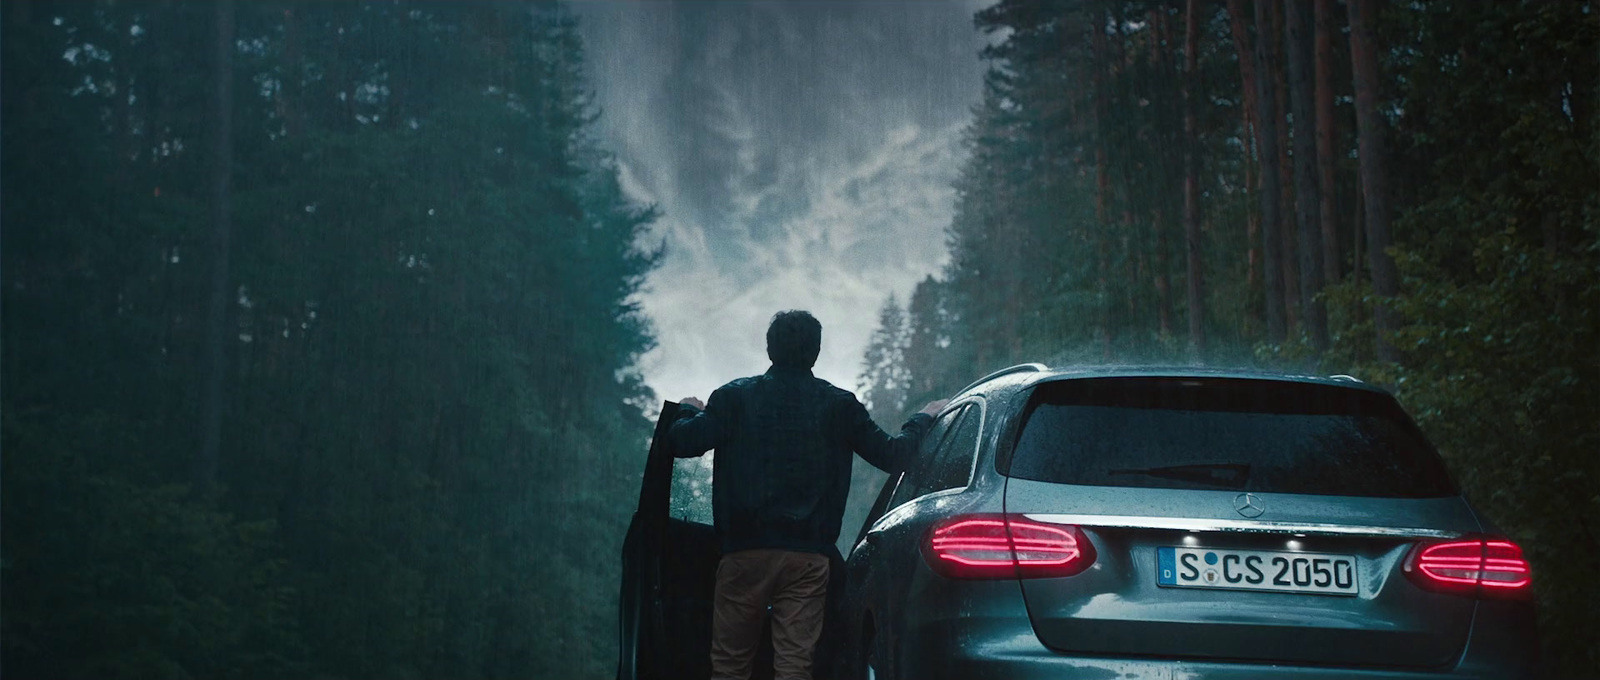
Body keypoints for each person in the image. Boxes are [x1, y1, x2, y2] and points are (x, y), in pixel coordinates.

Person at [670, 310, 946, 680]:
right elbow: (894, 456)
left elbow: (683, 443)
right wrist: (924, 418)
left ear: (770, 350)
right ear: (815, 352)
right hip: (807, 559)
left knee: (730, 665)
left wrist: (688, 410)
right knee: (794, 666)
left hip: (744, 553)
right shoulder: (839, 405)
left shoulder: (733, 398)